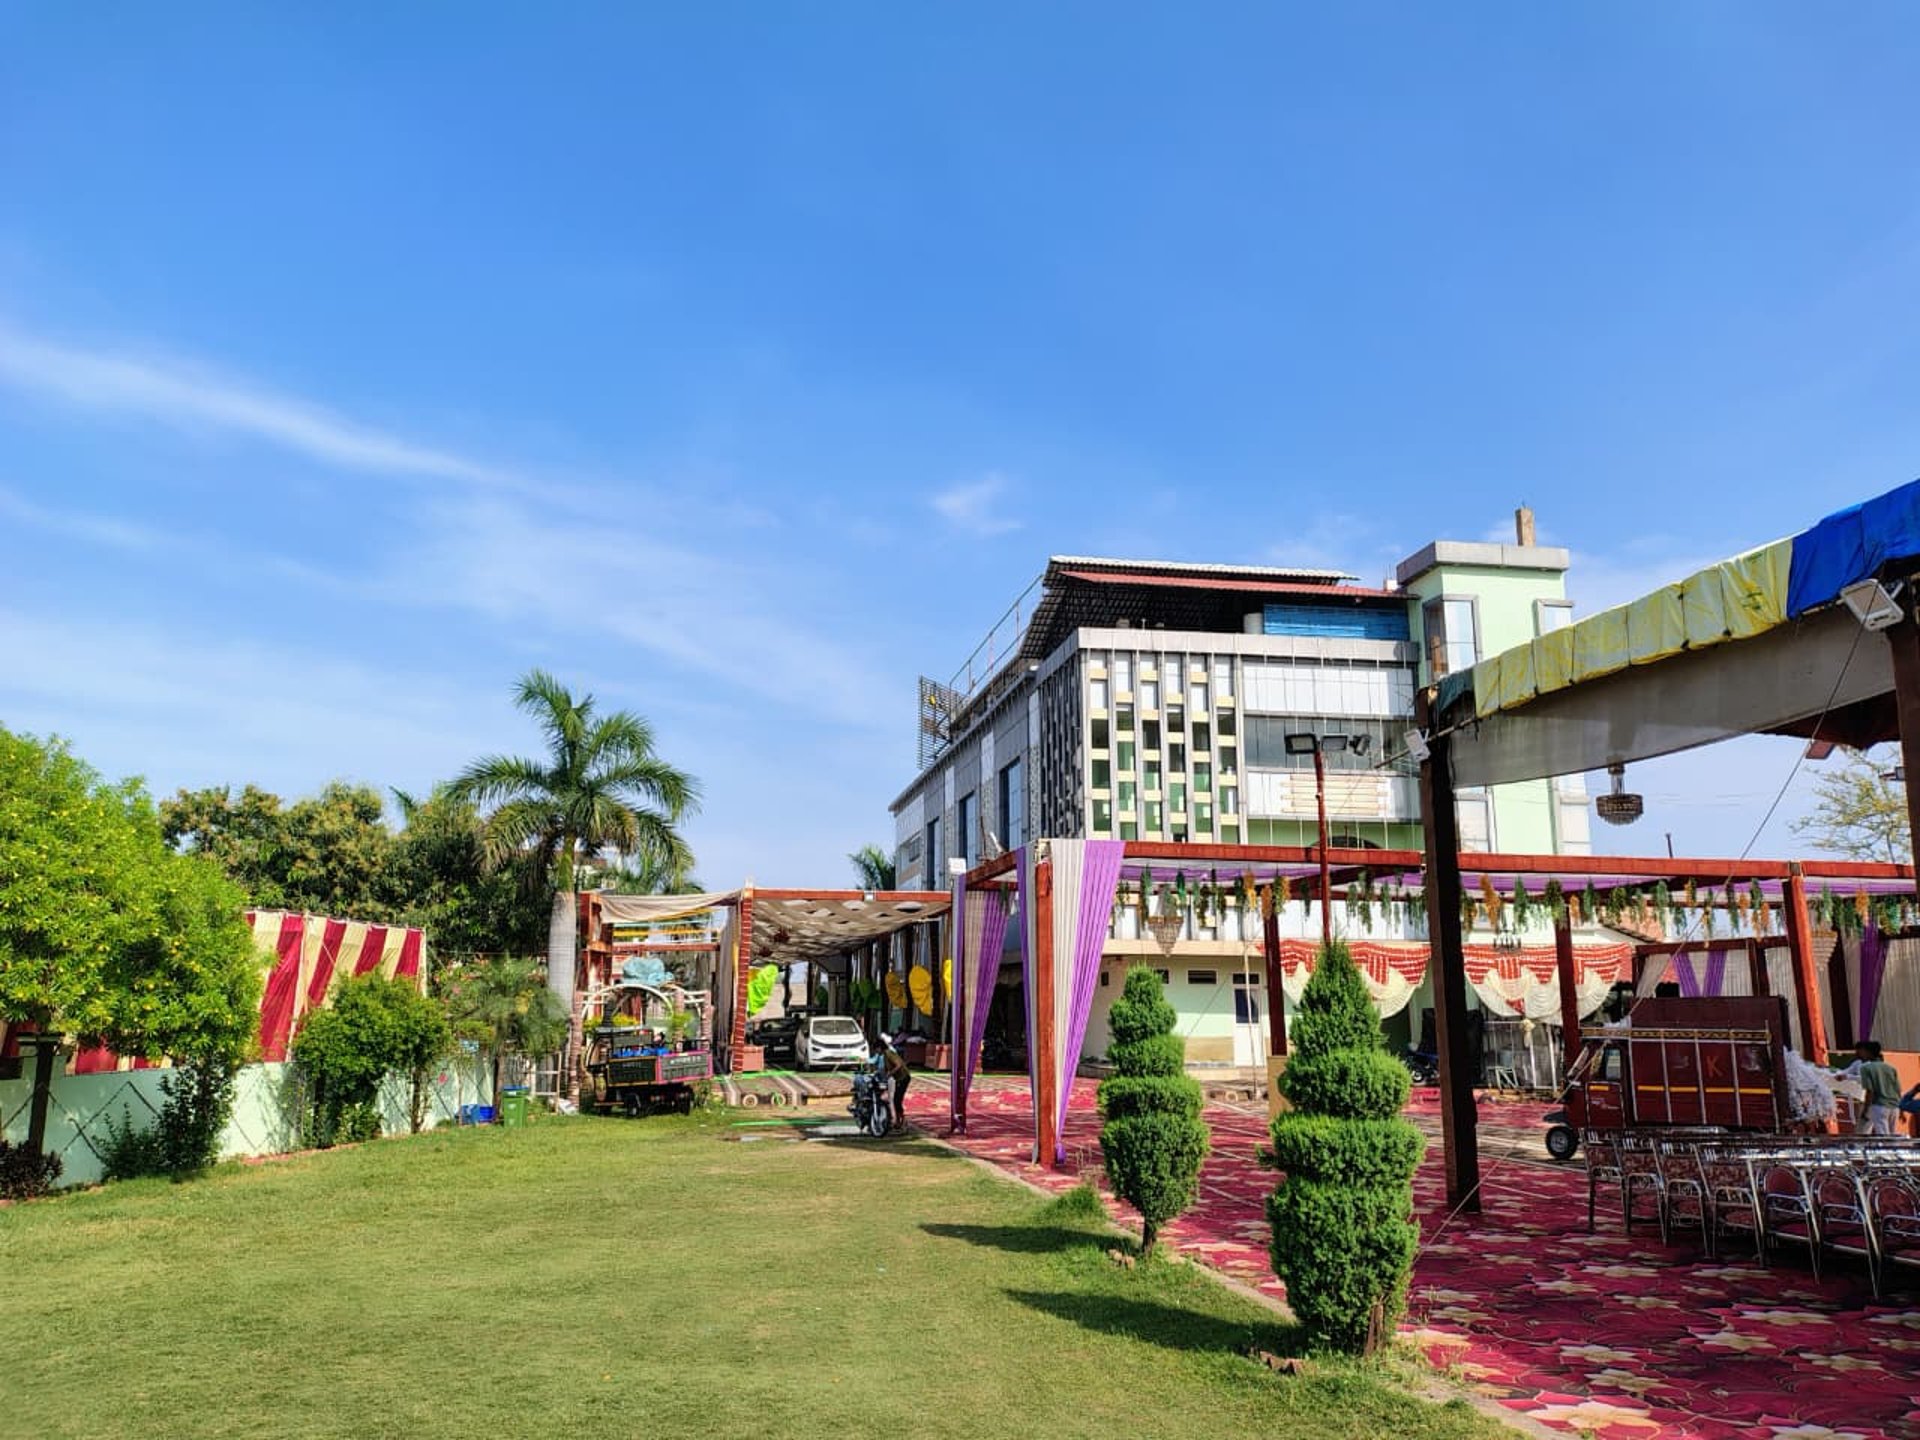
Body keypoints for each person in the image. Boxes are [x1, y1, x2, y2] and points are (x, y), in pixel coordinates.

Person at [1840, 1039, 1903, 1136]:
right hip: (1894, 1107)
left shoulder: (1866, 1069)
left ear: (1867, 1052)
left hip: (1879, 1106)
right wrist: (1901, 1109)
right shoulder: (1890, 1068)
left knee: (1883, 1137)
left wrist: (1866, 1110)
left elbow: (1870, 1091)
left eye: (1859, 1051)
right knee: (1892, 1136)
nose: (1857, 1054)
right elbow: (1898, 1090)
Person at [871, 1031, 911, 1133]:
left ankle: (902, 1121)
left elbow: (898, 1065)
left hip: (903, 1077)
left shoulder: (889, 1053)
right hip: (899, 1078)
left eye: (876, 1049)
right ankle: (897, 1121)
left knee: (897, 1100)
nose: (876, 1052)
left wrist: (890, 1073)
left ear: (879, 1048)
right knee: (895, 1099)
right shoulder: (884, 1055)